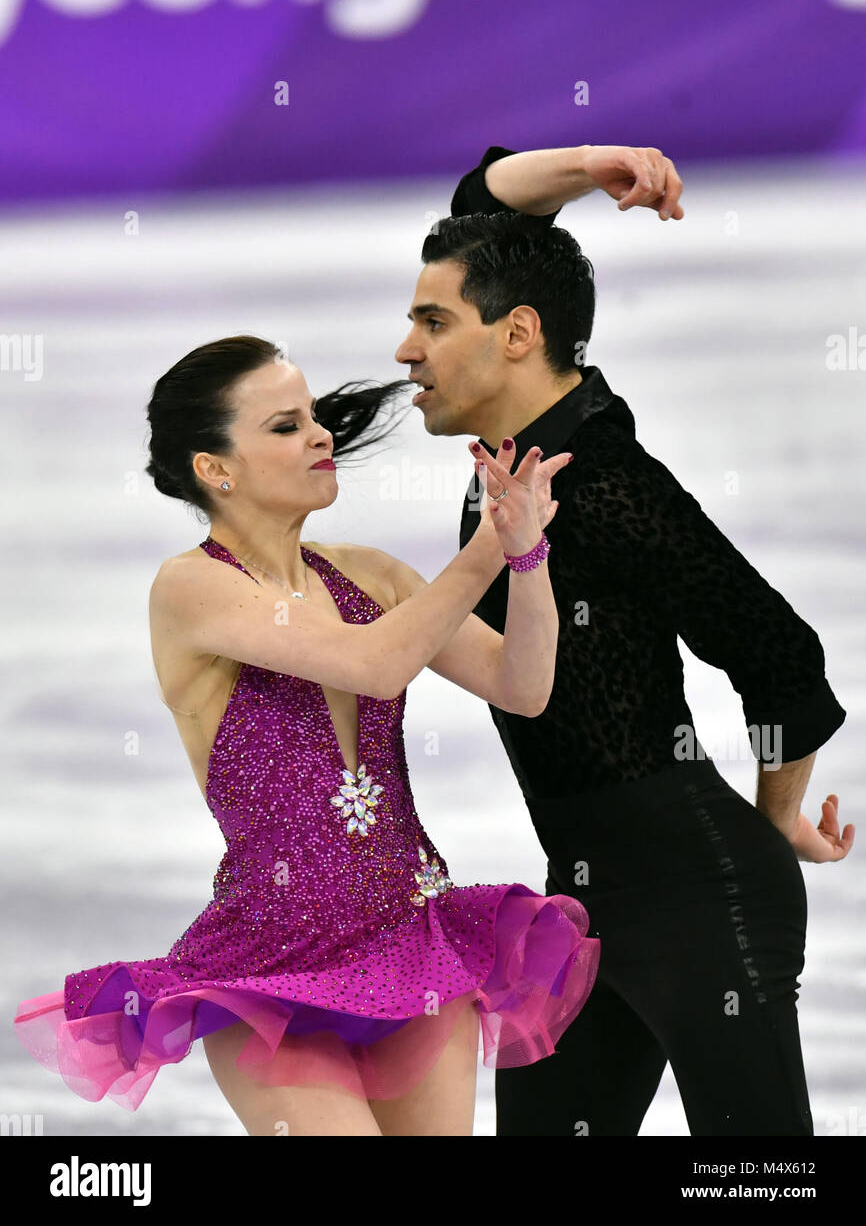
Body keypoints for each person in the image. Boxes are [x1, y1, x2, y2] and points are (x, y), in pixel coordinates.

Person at [13, 335, 601, 1137]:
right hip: (271, 971)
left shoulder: (372, 575)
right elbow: (378, 663)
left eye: (316, 417)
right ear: (214, 468)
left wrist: (528, 555)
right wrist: (484, 549)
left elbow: (522, 687)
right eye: (286, 426)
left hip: (412, 941)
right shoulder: (191, 589)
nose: (323, 436)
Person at [390, 143, 853, 1136]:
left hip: (699, 894)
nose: (404, 350)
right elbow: (485, 205)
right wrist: (599, 161)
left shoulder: (603, 485)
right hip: (582, 904)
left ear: (517, 334)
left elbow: (778, 653)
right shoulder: (524, 449)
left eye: (430, 322)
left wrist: (770, 821)